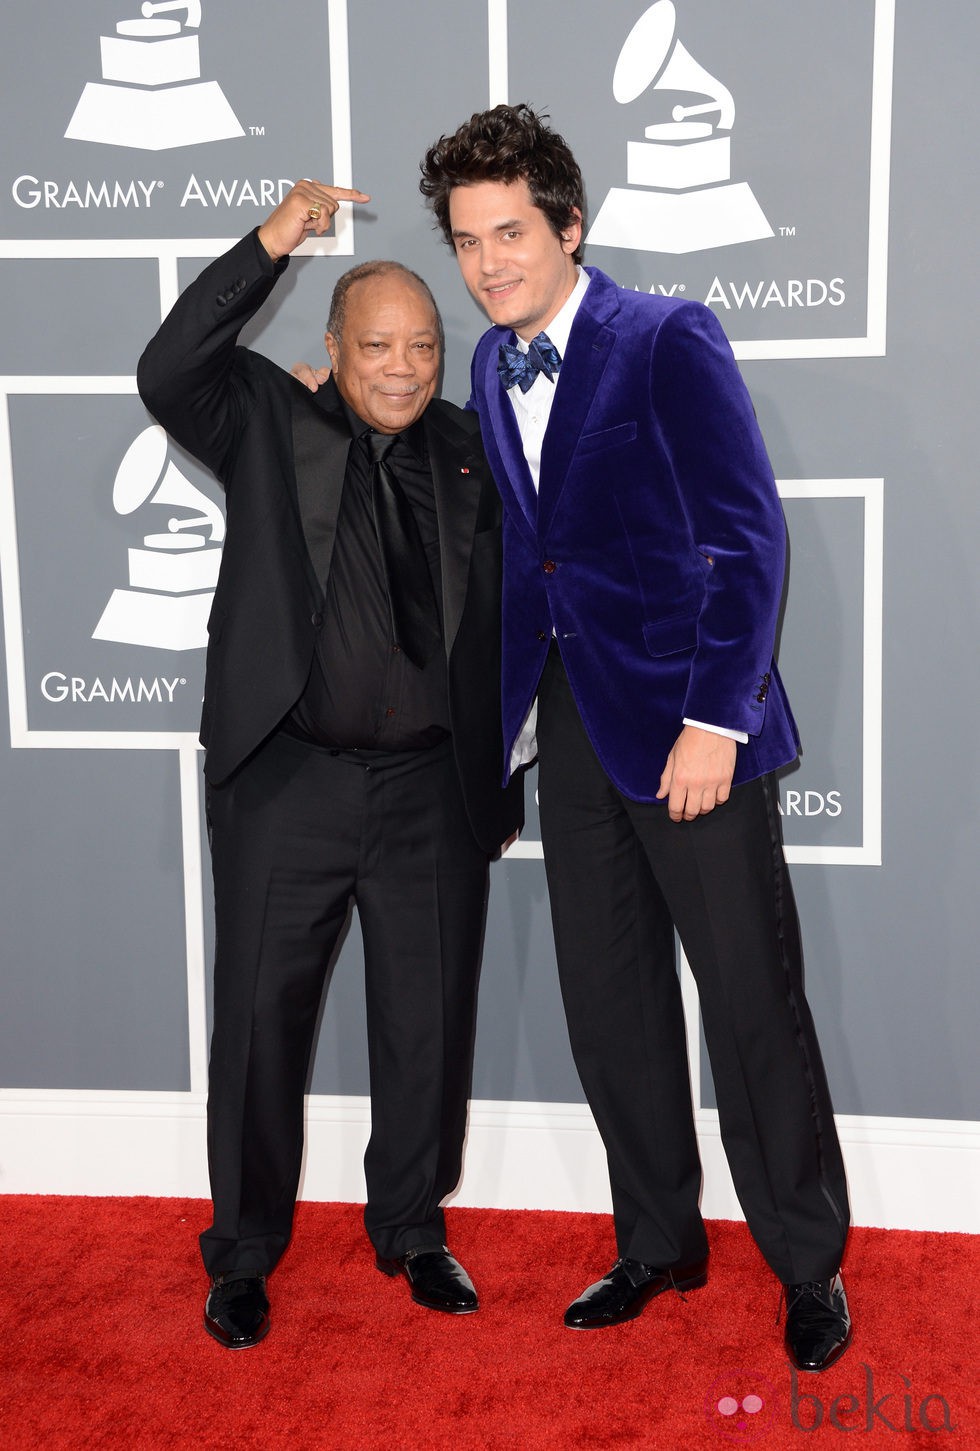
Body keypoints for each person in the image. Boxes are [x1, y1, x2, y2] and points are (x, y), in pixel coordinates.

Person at [417, 104, 852, 1371]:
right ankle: (658, 1238)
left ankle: (807, 1264)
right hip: (573, 732)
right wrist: (502, 743)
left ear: (568, 224)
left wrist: (716, 718)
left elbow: (744, 534)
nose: (488, 262)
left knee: (751, 1009)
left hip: (687, 729)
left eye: (509, 232)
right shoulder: (491, 371)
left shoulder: (663, 335)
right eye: (465, 240)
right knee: (608, 1009)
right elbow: (525, 569)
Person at [137, 179, 524, 1349]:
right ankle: (244, 1250)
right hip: (288, 782)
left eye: (422, 345)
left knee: (426, 1020)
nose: (403, 368)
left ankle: (410, 1227)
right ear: (330, 348)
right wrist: (272, 238)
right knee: (258, 1024)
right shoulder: (267, 417)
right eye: (377, 347)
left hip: (429, 792)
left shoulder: (472, 450)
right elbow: (167, 369)